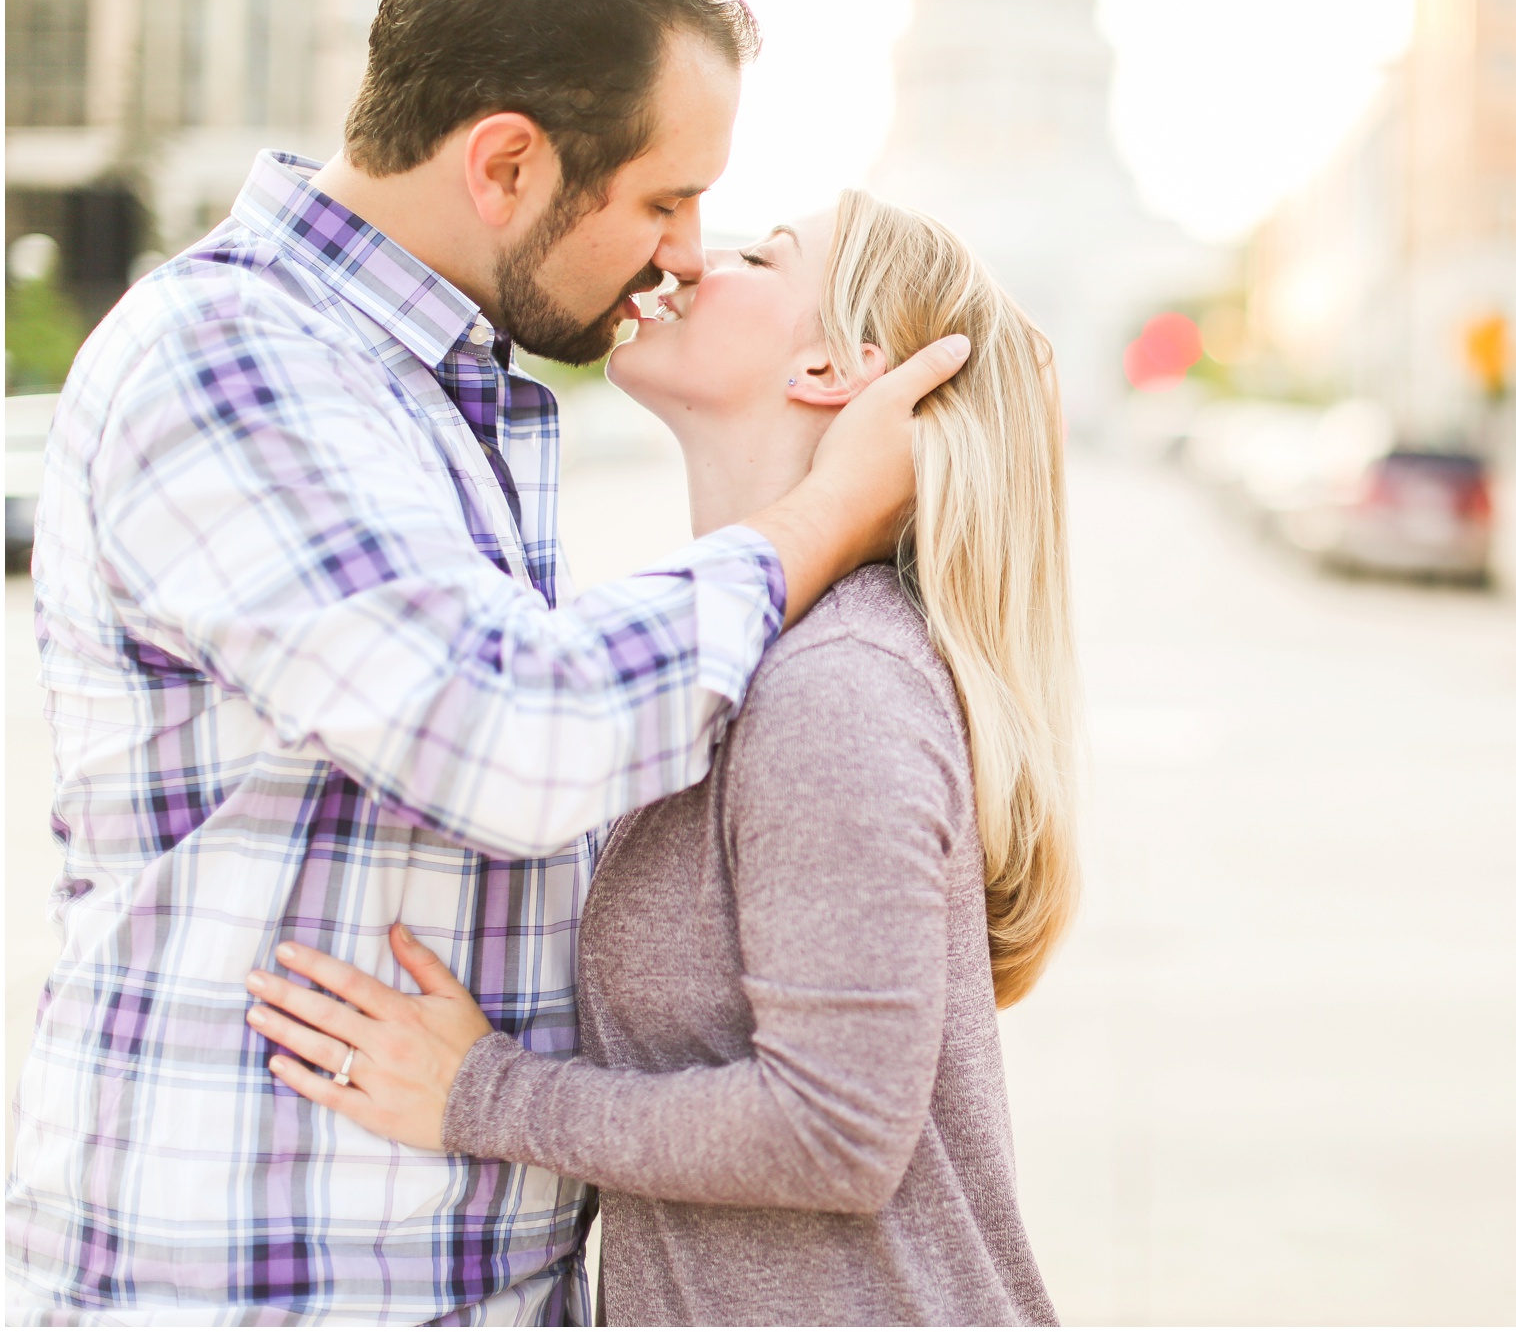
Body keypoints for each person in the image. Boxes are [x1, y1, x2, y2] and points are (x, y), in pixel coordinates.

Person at [5, 0, 969, 1325]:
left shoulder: (436, 388)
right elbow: (515, 735)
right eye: (662, 200)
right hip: (254, 1288)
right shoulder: (235, 357)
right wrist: (828, 509)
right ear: (507, 164)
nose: (689, 251)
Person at [242, 189, 1077, 1324]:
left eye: (755, 254)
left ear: (836, 367)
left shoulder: (836, 687)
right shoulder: (744, 661)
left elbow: (835, 1130)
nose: (688, 260)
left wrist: (479, 1093)